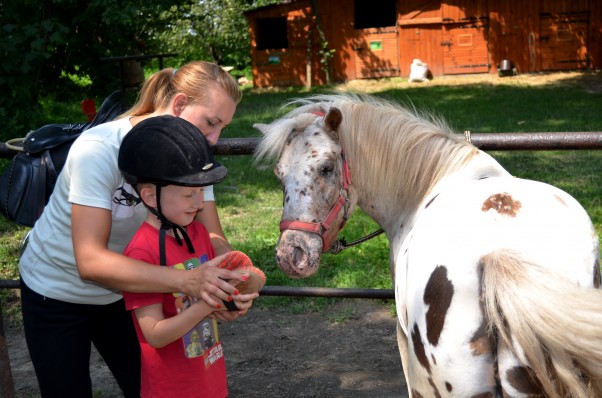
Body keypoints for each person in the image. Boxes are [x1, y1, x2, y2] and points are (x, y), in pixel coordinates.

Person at [18, 61, 250, 397]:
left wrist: (229, 283)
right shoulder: (99, 149)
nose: (214, 139)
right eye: (210, 123)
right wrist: (188, 281)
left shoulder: (194, 155)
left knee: (149, 388)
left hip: (131, 289)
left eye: (222, 128)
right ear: (180, 104)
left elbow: (212, 236)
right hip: (56, 290)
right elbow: (91, 262)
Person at [118, 115, 265, 397]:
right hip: (171, 389)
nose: (199, 204)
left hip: (209, 380)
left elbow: (213, 306)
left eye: (201, 192)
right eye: (188, 195)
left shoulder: (198, 234)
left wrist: (232, 304)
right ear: (150, 197)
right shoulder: (140, 252)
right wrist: (208, 304)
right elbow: (155, 335)